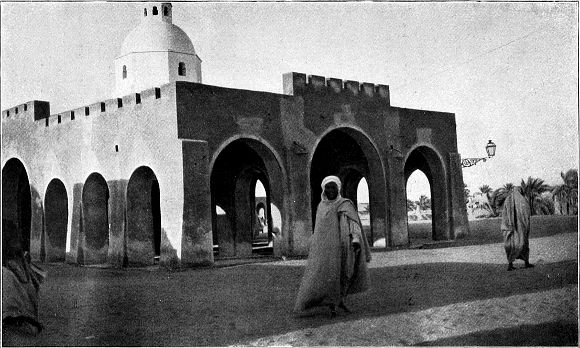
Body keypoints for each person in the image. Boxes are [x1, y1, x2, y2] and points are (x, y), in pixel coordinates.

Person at [294, 176, 371, 318]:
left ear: (338, 188)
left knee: (346, 272)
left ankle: (340, 300)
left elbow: (354, 223)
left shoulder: (345, 204)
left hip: (345, 245)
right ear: (324, 189)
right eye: (328, 187)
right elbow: (319, 229)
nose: (330, 190)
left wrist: (355, 239)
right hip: (326, 249)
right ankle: (331, 303)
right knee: (328, 275)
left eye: (333, 187)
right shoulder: (321, 206)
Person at [2, 219, 46, 336]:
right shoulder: (5, 273)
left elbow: (37, 283)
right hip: (16, 332)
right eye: (15, 235)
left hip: (28, 330)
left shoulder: (22, 263)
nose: (20, 238)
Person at [501, 188, 534, 271]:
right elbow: (526, 213)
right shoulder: (522, 200)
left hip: (510, 229)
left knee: (511, 245)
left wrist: (509, 224)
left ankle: (510, 264)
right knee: (523, 243)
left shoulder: (508, 200)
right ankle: (526, 262)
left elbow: (505, 215)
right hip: (521, 228)